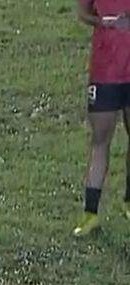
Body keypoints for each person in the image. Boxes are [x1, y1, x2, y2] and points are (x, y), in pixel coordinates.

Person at [73, 0, 130, 236]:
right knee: (100, 140)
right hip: (105, 71)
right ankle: (91, 214)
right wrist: (102, 22)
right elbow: (83, 13)